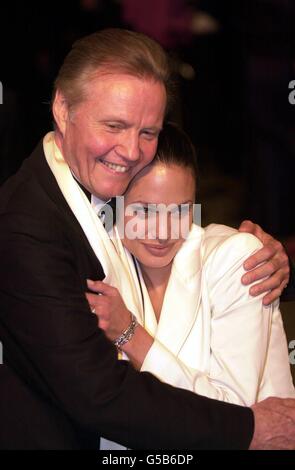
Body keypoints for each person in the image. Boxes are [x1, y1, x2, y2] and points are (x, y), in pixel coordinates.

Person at [0, 28, 294, 450]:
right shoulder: (27, 227)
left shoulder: (111, 200)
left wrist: (263, 256)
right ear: (63, 108)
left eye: (148, 132)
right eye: (115, 125)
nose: (132, 150)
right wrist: (249, 429)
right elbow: (99, 395)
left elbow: (184, 233)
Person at [86, 122, 295, 449]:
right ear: (116, 205)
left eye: (180, 210)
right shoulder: (103, 260)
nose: (163, 231)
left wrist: (130, 334)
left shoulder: (235, 258)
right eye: (145, 210)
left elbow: (235, 419)